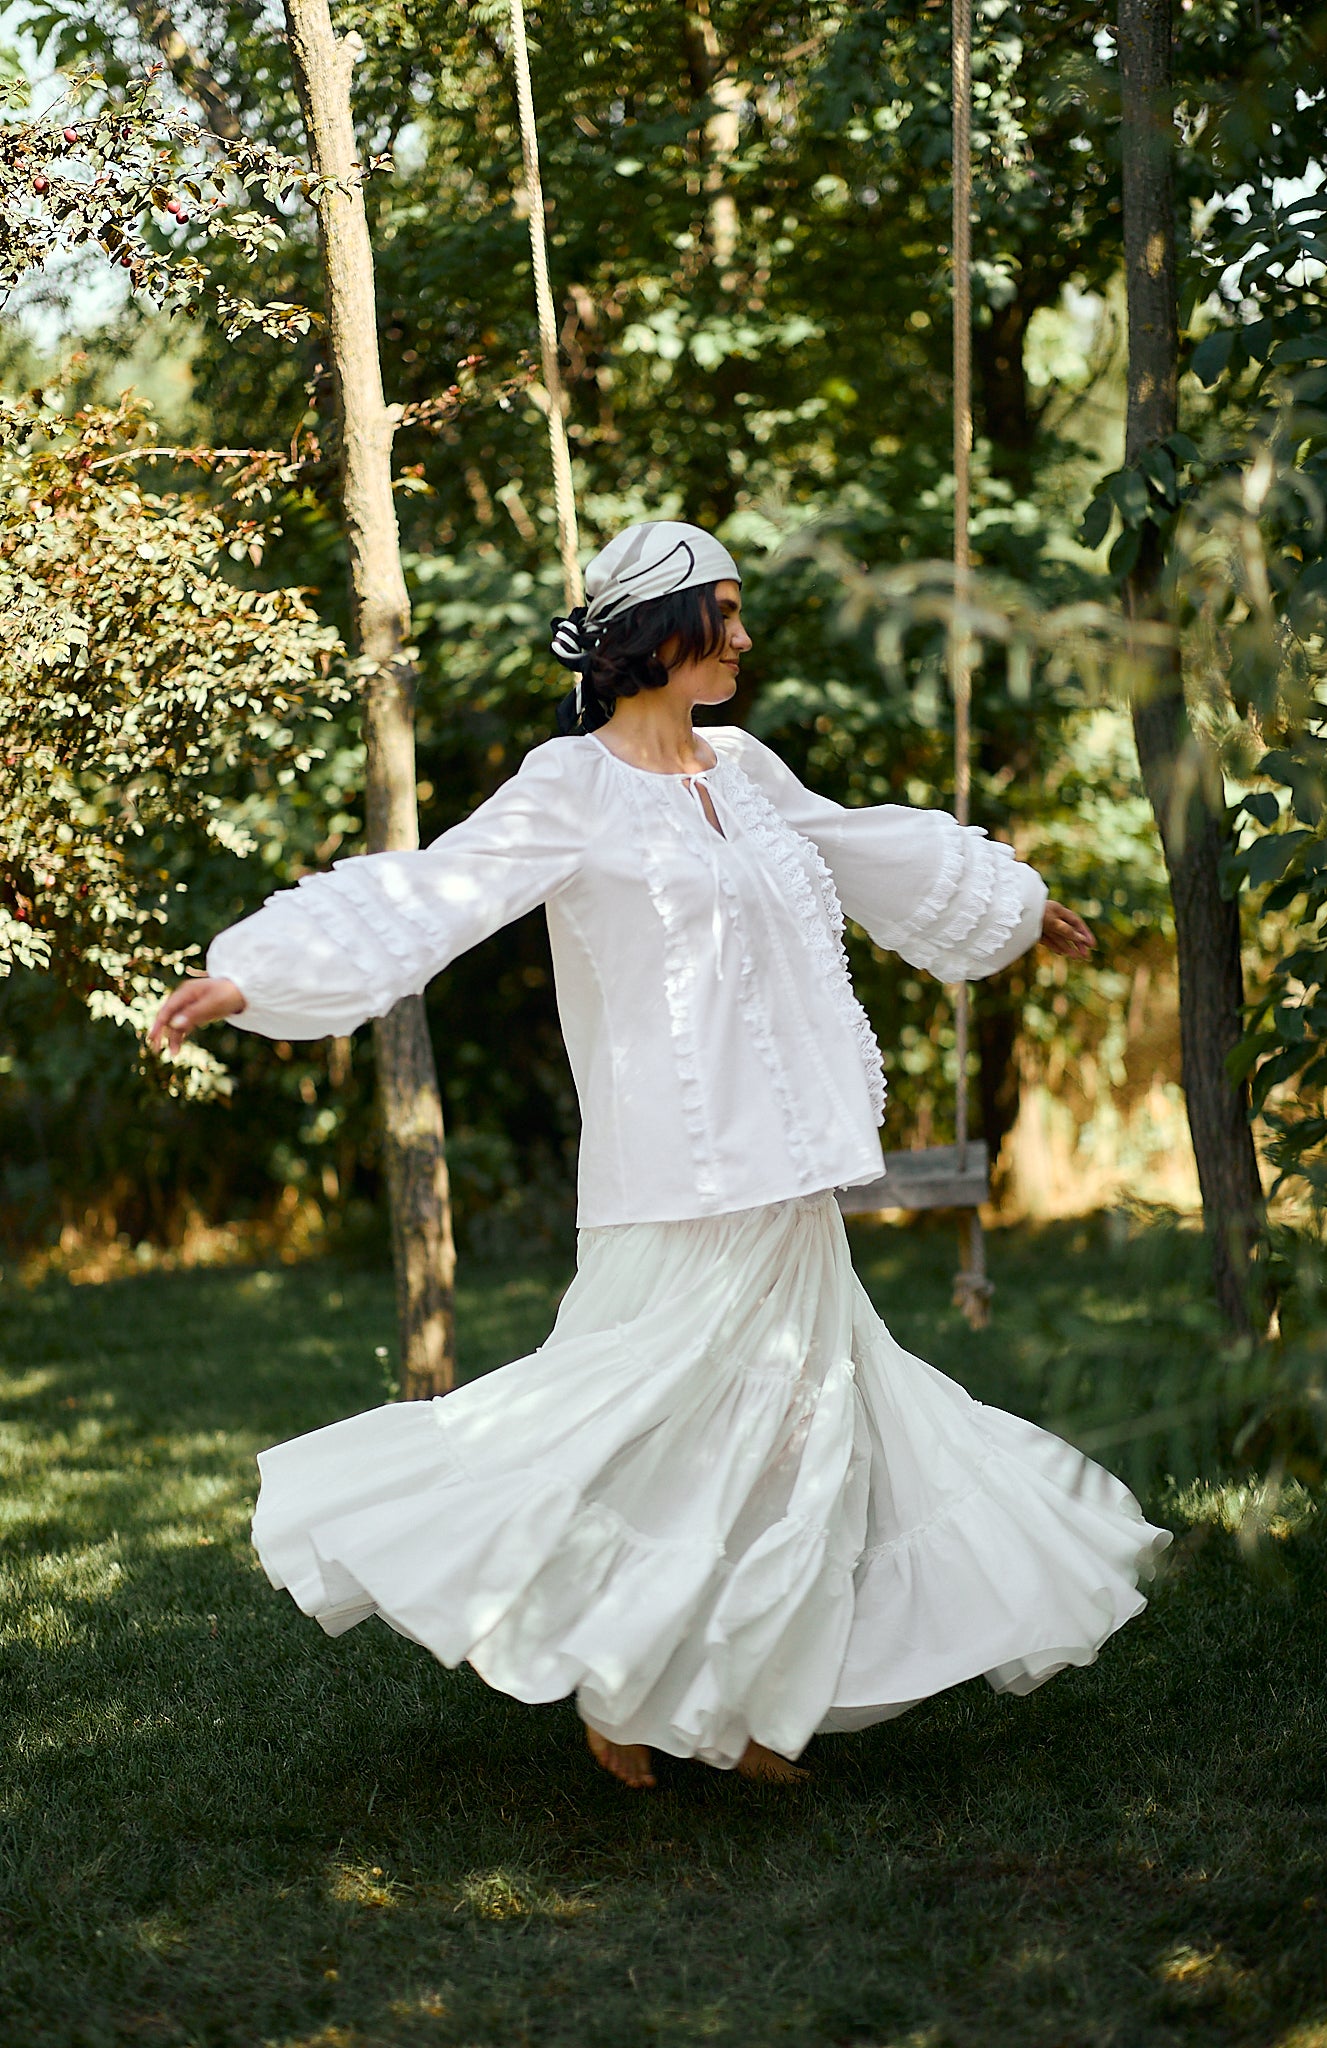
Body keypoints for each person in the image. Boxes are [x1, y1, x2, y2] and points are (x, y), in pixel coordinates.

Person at [151, 520, 1169, 1790]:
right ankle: (615, 1667)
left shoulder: (743, 767)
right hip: (669, 1169)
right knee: (627, 1421)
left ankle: (739, 1706)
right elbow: (437, 890)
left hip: (787, 1158)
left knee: (802, 1428)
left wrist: (1013, 909)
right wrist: (255, 976)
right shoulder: (569, 785)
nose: (742, 637)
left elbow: (860, 845)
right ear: (654, 633)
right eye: (721, 614)